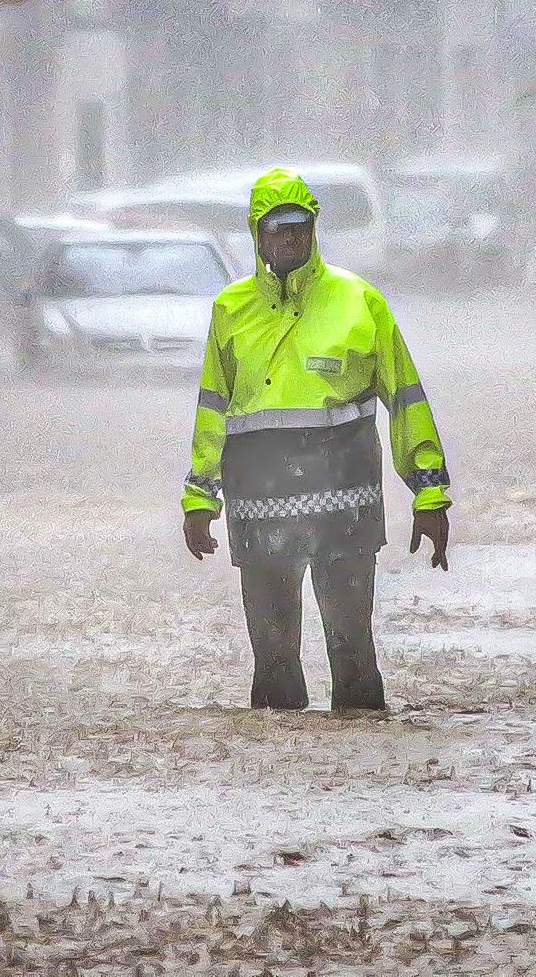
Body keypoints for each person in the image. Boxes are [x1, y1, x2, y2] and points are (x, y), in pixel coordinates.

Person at [181, 167, 451, 711]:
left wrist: (429, 494)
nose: (290, 238)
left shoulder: (360, 301)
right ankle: (275, 778)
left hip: (344, 503)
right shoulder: (230, 310)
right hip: (258, 503)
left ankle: (358, 764)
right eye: (278, 229)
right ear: (258, 235)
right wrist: (198, 498)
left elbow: (405, 399)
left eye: (299, 227)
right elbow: (213, 410)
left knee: (354, 653)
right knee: (273, 664)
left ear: (314, 229)